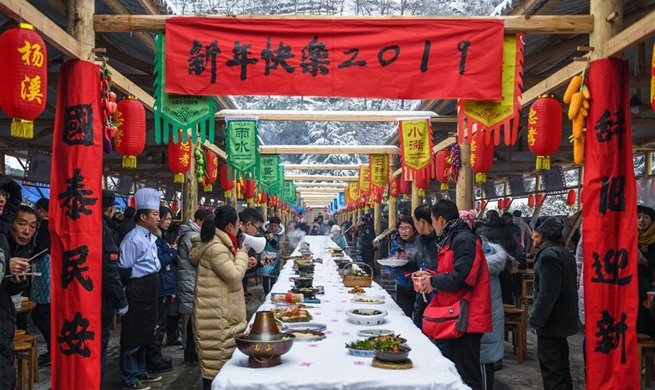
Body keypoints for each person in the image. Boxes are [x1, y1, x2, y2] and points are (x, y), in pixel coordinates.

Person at [417, 199, 492, 390]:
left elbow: (463, 277)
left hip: (467, 314)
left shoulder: (464, 239)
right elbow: (452, 271)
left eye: (433, 220)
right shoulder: (452, 238)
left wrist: (434, 282)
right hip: (454, 312)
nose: (433, 226)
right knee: (454, 368)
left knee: (467, 373)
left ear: (441, 220)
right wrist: (431, 277)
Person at [190, 206, 257, 390]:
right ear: (229, 226)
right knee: (215, 372)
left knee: (219, 370)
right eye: (239, 223)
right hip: (216, 317)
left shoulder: (220, 244)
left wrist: (245, 263)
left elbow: (228, 271)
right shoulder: (216, 247)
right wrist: (243, 255)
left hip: (220, 313)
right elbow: (234, 275)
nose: (240, 227)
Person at [118, 188, 163, 390]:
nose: (158, 218)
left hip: (150, 287)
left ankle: (141, 371)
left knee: (146, 332)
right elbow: (124, 269)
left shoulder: (150, 237)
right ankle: (129, 376)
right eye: (155, 214)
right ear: (143, 216)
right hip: (137, 289)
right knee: (132, 334)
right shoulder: (132, 239)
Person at [529, 217, 578, 390]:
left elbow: (548, 293)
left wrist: (536, 320)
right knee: (561, 368)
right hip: (563, 320)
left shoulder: (547, 256)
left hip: (552, 323)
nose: (532, 235)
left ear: (542, 234)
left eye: (534, 231)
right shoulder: (564, 252)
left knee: (552, 372)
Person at [0, 177, 27, 390]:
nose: (1, 199)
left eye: (4, 194)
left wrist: (15, 280)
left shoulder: (1, 235)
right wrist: (5, 266)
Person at [145, 206, 178, 374]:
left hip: (164, 284)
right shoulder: (154, 239)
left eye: (168, 219)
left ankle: (156, 356)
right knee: (157, 325)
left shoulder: (161, 237)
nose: (165, 221)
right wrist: (172, 253)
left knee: (161, 324)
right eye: (163, 218)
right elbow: (156, 261)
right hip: (160, 286)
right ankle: (153, 359)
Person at [100, 191, 128, 383]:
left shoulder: (91, 226)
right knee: (97, 350)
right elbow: (110, 271)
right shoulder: (105, 231)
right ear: (111, 209)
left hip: (81, 299)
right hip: (100, 301)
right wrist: (121, 301)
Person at [176, 209, 210, 363]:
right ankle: (190, 351)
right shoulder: (191, 236)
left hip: (191, 278)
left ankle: (191, 351)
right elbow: (196, 258)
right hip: (190, 280)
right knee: (192, 318)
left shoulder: (193, 234)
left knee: (193, 317)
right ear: (198, 221)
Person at [480, 240, 507, 390]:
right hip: (489, 318)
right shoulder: (492, 254)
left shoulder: (474, 263)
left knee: (482, 363)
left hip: (482, 319)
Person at [476, 210, 518, 305]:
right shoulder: (506, 229)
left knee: (489, 292)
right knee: (506, 290)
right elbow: (514, 244)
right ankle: (509, 312)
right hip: (503, 264)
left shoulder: (479, 230)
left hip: (488, 265)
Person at [31, 198, 52, 366]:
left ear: (41, 210)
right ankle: (53, 350)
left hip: (45, 274)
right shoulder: (51, 225)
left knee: (41, 314)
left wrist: (27, 257)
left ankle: (53, 349)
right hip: (44, 274)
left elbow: (43, 248)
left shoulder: (46, 227)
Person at [386, 216, 420, 317]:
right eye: (401, 228)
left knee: (418, 319)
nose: (403, 231)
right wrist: (392, 265)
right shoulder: (397, 244)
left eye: (407, 228)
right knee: (404, 317)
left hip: (418, 288)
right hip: (402, 287)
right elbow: (390, 267)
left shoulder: (420, 243)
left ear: (414, 229)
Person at [412, 204, 438, 328]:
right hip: (421, 294)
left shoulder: (441, 241)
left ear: (422, 221)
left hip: (437, 295)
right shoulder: (420, 239)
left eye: (414, 221)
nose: (414, 225)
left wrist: (431, 276)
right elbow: (413, 260)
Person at [11, 205, 37, 331]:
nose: (27, 231)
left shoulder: (25, 252)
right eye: (22, 224)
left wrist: (19, 282)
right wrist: (5, 265)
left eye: (32, 226)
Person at [637, 205, 655, 338]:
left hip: (651, 282)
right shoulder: (632, 236)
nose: (642, 220)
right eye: (639, 217)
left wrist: (647, 262)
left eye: (646, 217)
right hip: (634, 281)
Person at [238, 208, 264, 297]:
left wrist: (257, 264)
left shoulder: (243, 239)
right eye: (257, 228)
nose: (257, 232)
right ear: (248, 224)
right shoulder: (235, 239)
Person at [260, 216, 283, 295]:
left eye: (275, 226)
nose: (273, 227)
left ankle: (272, 293)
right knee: (265, 276)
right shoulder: (264, 232)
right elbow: (261, 242)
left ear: (278, 226)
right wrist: (267, 237)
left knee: (273, 276)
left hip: (275, 257)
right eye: (271, 225)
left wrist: (272, 240)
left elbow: (279, 246)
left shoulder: (280, 234)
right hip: (265, 255)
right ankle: (266, 294)